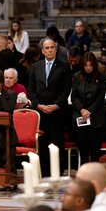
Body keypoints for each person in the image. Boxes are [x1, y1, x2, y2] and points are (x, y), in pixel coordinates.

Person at [28, 38, 71, 177]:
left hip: (57, 111)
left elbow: (66, 89)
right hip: (40, 111)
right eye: (47, 48)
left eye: (52, 47)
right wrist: (38, 105)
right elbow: (31, 89)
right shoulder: (36, 66)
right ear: (42, 51)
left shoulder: (64, 66)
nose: (50, 50)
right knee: (42, 142)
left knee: (57, 140)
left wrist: (56, 105)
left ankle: (58, 171)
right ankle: (44, 170)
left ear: (56, 49)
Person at [71, 52, 106, 164]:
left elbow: (100, 98)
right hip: (80, 117)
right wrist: (82, 110)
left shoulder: (102, 77)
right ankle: (84, 174)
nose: (88, 68)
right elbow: (74, 97)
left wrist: (90, 111)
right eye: (86, 65)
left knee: (95, 151)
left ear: (94, 65)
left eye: (90, 65)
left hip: (96, 117)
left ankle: (95, 175)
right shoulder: (76, 76)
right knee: (83, 150)